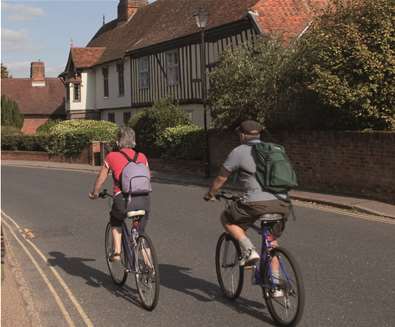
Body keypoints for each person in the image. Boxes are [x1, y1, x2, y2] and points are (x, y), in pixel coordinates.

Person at [204, 120, 290, 267]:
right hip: (282, 202)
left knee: (227, 218)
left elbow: (221, 178)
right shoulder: (276, 149)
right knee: (271, 242)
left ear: (242, 135)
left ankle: (249, 250)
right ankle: (277, 288)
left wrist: (211, 194)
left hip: (256, 203)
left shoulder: (239, 151)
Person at [89, 127, 150, 261]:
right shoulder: (142, 156)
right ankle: (150, 267)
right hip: (144, 200)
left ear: (118, 142)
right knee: (140, 232)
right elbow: (148, 177)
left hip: (123, 200)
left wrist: (95, 192)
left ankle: (117, 252)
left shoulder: (111, 156)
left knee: (115, 219)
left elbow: (101, 177)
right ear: (133, 141)